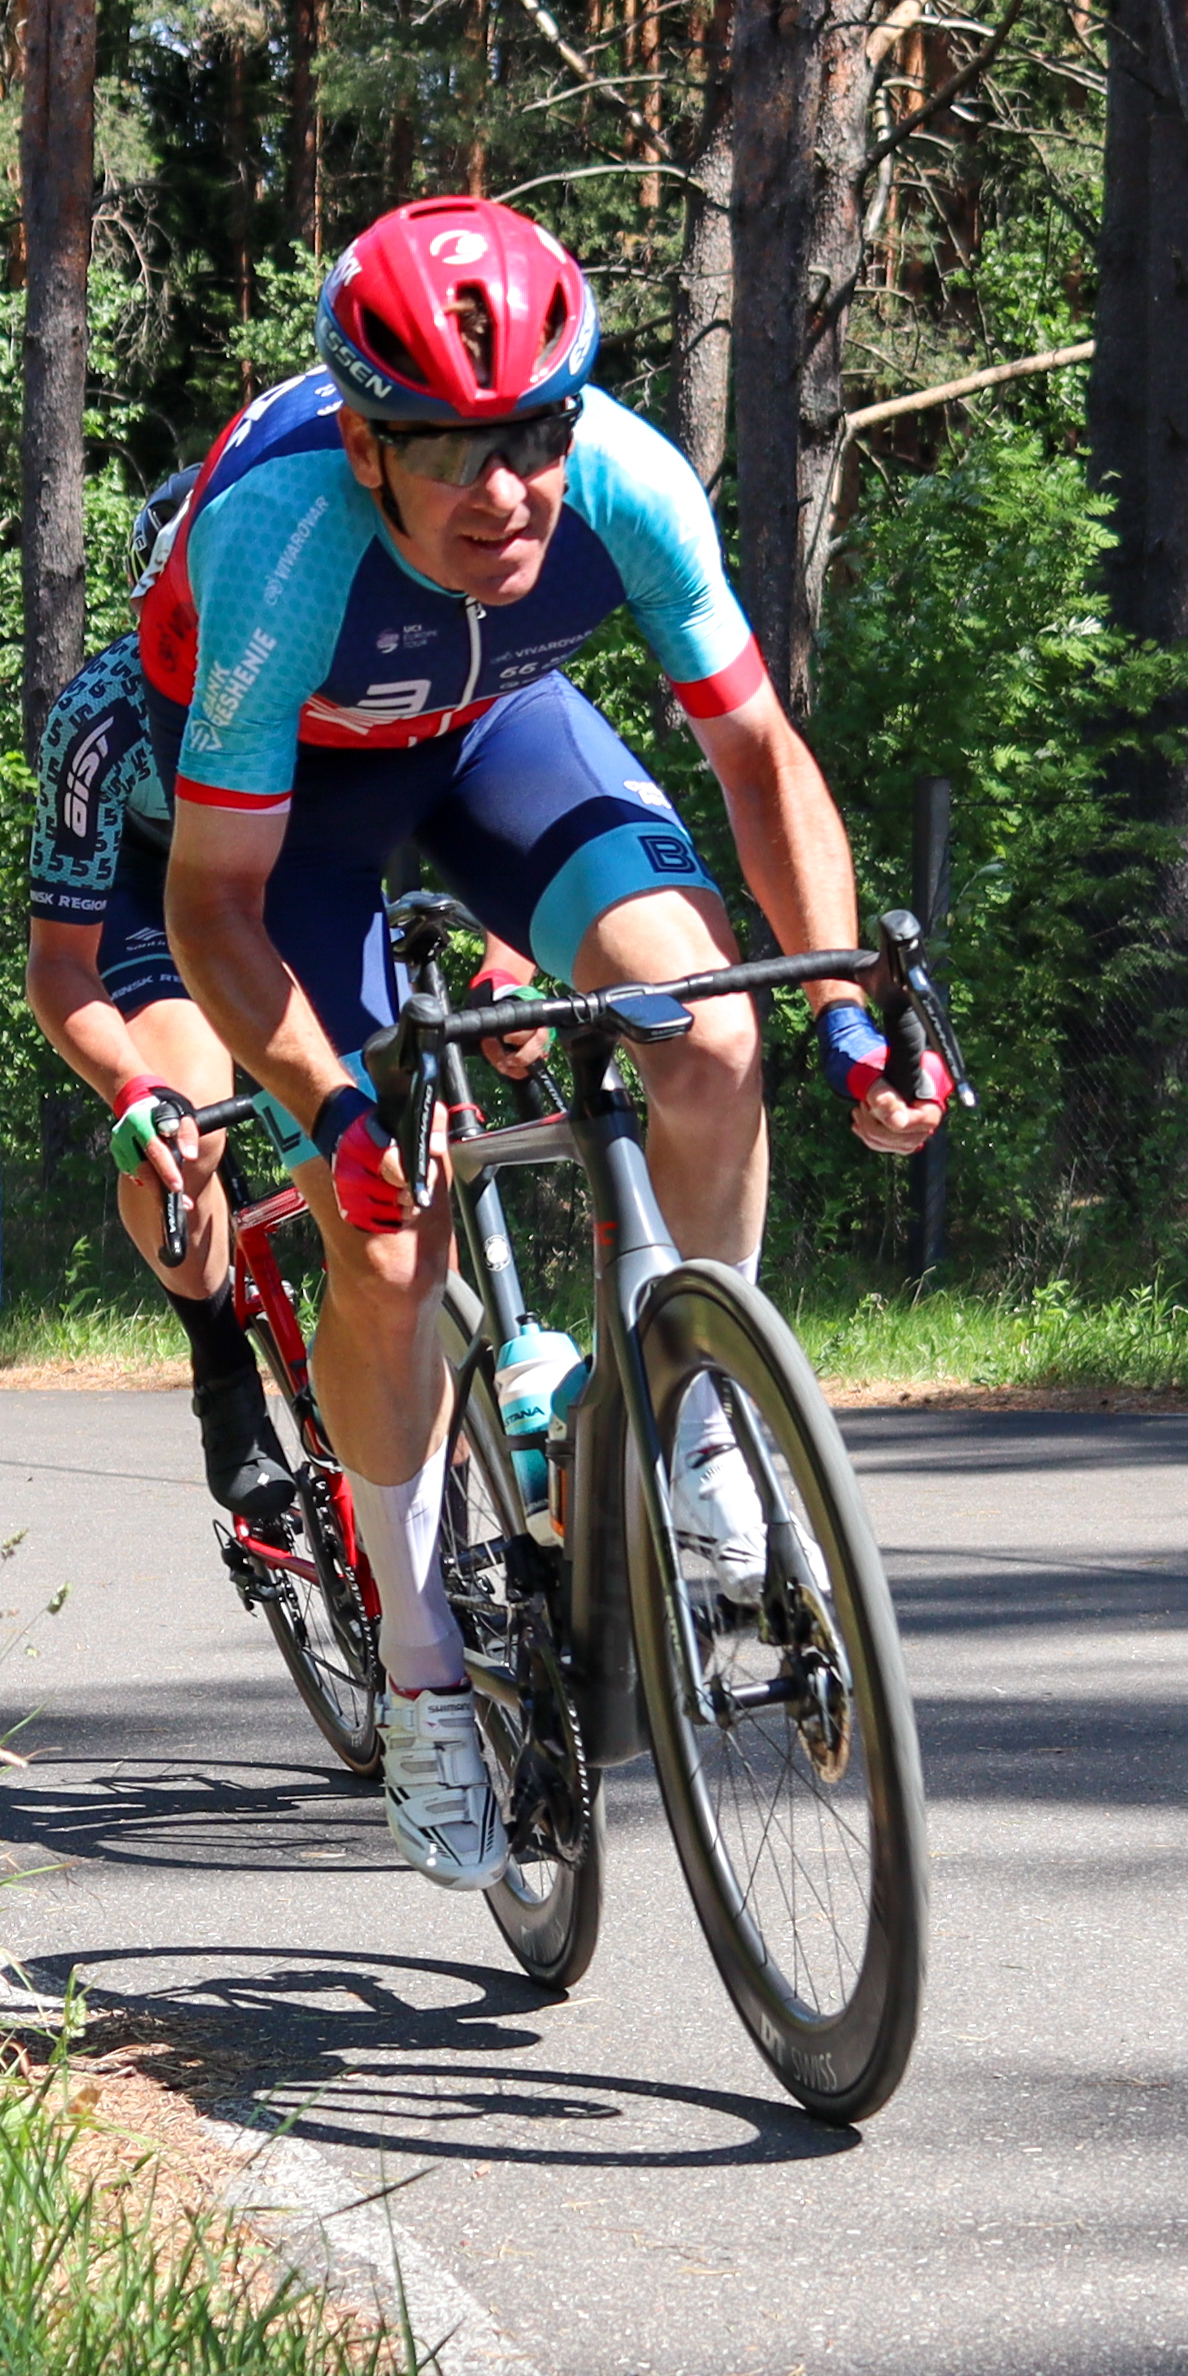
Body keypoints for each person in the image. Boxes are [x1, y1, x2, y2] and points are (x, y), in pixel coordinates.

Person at [156, 195, 951, 1887]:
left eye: (530, 434)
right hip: (291, 802)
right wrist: (323, 1102)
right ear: (368, 445)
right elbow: (212, 907)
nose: (502, 489)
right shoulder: (280, 541)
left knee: (711, 1037)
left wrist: (842, 1010)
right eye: (448, 449)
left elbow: (756, 757)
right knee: (383, 1227)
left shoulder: (628, 481)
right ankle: (424, 1653)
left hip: (499, 730)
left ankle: (700, 1423)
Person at [25, 470, 547, 1534]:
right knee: (193, 1125)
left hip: (306, 875)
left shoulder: (333, 662)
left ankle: (416, 1473)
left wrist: (509, 964)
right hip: (155, 896)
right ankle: (220, 1359)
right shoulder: (98, 719)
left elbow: (487, 813)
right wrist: (130, 1086)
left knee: (421, 1140)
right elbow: (57, 964)